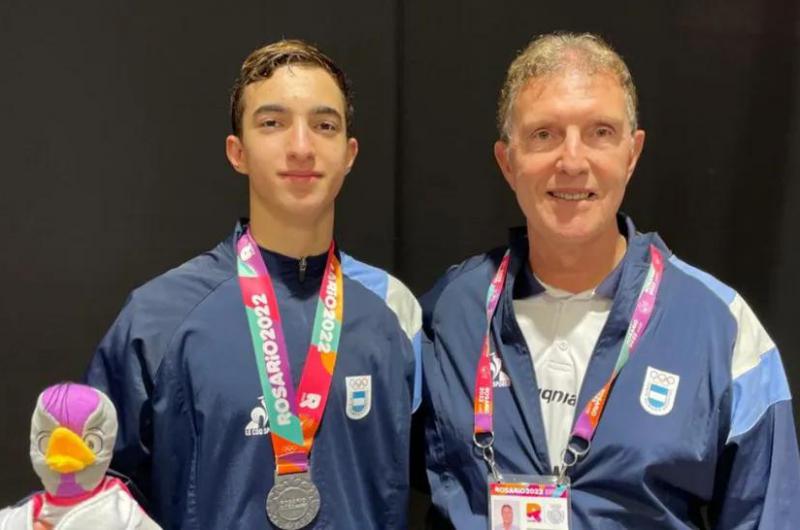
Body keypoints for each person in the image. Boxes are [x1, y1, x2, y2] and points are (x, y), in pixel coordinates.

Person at [421, 32, 800, 529]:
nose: (573, 161)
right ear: (507, 161)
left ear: (632, 152)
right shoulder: (449, 312)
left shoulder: (721, 327)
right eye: (544, 135)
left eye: (600, 132)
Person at [85, 39, 421, 529]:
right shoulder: (158, 317)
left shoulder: (395, 310)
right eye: (272, 123)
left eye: (324, 125)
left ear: (349, 154)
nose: (302, 146)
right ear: (237, 152)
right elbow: (96, 499)